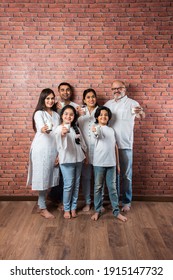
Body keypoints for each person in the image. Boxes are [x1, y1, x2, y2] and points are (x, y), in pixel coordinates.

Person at [104, 80, 145, 212]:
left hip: (125, 145)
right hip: (109, 145)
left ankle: (126, 201)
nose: (116, 90)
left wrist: (140, 112)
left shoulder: (132, 103)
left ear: (124, 89)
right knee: (113, 175)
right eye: (114, 88)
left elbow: (141, 115)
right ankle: (114, 201)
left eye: (119, 88)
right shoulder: (108, 104)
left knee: (126, 175)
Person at [27, 88, 60, 219]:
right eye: (48, 98)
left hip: (53, 149)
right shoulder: (39, 114)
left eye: (52, 98)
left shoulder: (57, 115)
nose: (50, 101)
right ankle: (42, 207)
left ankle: (48, 201)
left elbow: (58, 135)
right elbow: (41, 127)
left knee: (51, 176)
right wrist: (44, 129)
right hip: (41, 149)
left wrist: (59, 154)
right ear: (43, 99)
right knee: (42, 177)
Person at [91, 106, 127, 222]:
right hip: (99, 163)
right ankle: (97, 210)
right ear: (97, 117)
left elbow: (115, 147)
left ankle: (116, 212)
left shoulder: (111, 130)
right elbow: (98, 135)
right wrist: (96, 131)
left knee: (112, 188)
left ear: (109, 117)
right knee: (98, 187)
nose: (103, 116)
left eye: (105, 115)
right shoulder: (95, 128)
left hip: (111, 164)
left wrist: (117, 164)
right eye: (101, 115)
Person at [48, 82, 79, 205]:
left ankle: (64, 201)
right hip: (56, 142)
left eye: (67, 90)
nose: (65, 92)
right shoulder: (53, 106)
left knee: (67, 177)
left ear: (71, 92)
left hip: (70, 144)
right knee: (59, 174)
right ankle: (57, 199)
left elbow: (77, 126)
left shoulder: (76, 107)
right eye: (62, 90)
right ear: (59, 92)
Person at [55, 105, 87, 219]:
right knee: (68, 185)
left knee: (76, 185)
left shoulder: (75, 128)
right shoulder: (59, 128)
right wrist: (63, 134)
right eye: (66, 114)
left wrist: (85, 154)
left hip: (79, 159)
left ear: (74, 116)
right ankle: (67, 208)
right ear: (62, 116)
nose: (69, 116)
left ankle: (74, 207)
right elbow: (59, 145)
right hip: (66, 160)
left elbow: (82, 142)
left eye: (71, 114)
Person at [77, 88, 99, 212]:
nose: (91, 99)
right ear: (84, 99)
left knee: (98, 178)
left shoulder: (100, 111)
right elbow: (74, 127)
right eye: (88, 97)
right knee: (86, 178)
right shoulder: (80, 112)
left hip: (98, 150)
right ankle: (87, 202)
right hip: (84, 151)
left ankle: (97, 203)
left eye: (93, 96)